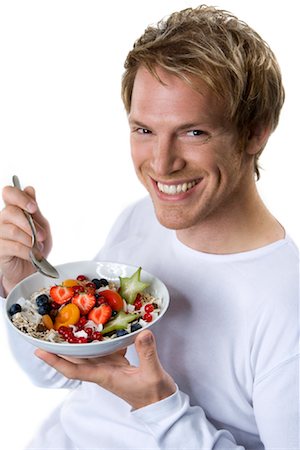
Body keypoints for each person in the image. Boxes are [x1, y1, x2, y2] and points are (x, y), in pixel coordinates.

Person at [0, 5, 299, 449]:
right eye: (144, 129)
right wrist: (19, 284)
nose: (161, 164)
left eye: (193, 132)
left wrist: (158, 403)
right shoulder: (141, 217)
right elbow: (57, 373)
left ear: (256, 133)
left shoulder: (287, 304)